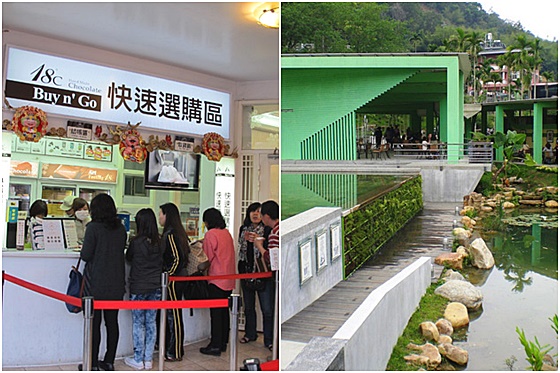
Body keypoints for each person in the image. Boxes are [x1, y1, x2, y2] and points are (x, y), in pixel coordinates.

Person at [79, 193, 126, 371]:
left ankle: (91, 362)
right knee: (112, 323)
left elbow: (85, 255)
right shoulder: (120, 229)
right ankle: (109, 361)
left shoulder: (93, 228)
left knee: (94, 324)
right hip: (116, 283)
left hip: (95, 284)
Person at [125, 208, 163, 371]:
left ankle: (138, 358)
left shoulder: (135, 242)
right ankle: (148, 359)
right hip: (155, 286)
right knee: (151, 322)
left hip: (139, 286)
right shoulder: (160, 241)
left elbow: (128, 259)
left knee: (138, 323)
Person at [199, 208, 235, 356]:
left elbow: (206, 257)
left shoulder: (210, 234)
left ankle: (215, 345)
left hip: (216, 278)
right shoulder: (226, 233)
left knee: (216, 314)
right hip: (229, 279)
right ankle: (223, 342)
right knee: (224, 312)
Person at [237, 203, 273, 349]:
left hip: (262, 272)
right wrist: (245, 239)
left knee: (267, 308)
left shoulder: (268, 229)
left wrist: (259, 240)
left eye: (258, 212)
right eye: (252, 211)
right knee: (249, 306)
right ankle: (250, 333)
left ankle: (269, 339)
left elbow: (269, 251)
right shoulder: (243, 228)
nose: (255, 214)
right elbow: (240, 247)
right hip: (246, 270)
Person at [158, 202, 189, 362]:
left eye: (161, 214)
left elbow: (177, 258)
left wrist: (168, 276)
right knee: (173, 315)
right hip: (177, 278)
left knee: (174, 316)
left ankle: (176, 351)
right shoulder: (178, 233)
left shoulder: (170, 234)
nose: (159, 217)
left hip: (174, 280)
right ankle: (172, 348)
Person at [253, 200, 279, 352]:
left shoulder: (275, 233)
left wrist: (260, 247)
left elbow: (271, 258)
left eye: (262, 215)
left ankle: (272, 343)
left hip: (274, 277)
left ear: (267, 216)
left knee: (270, 310)